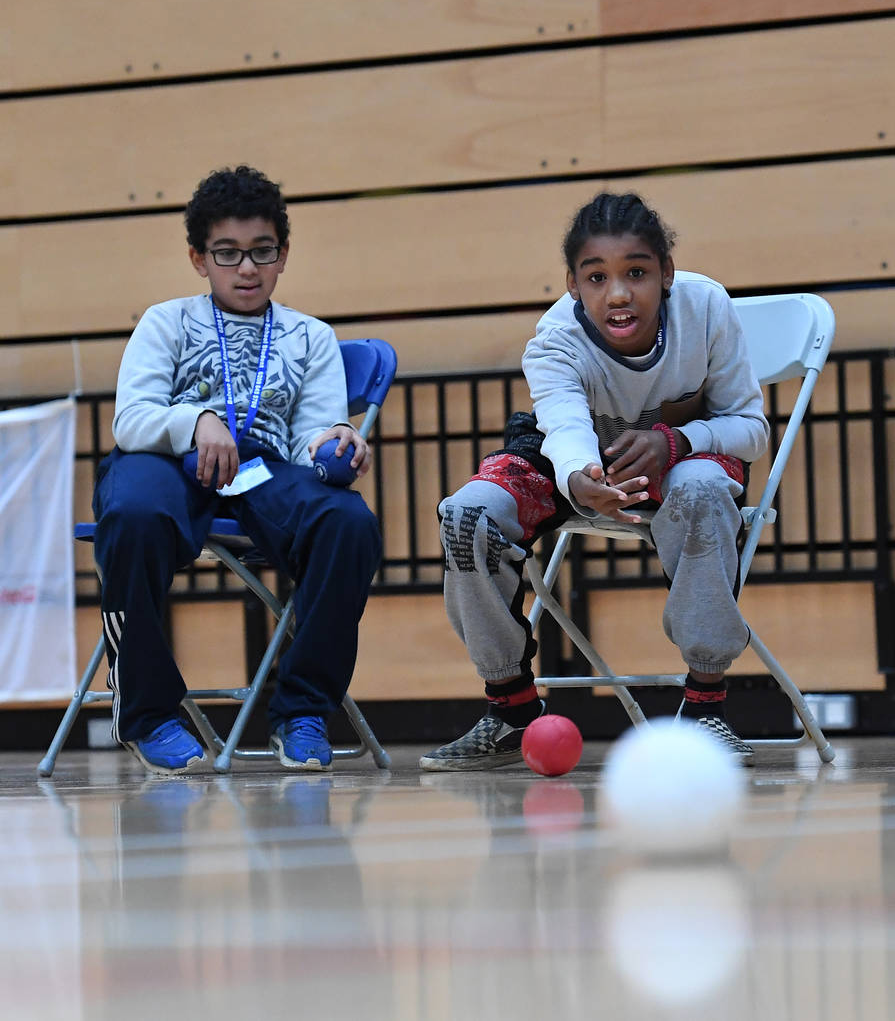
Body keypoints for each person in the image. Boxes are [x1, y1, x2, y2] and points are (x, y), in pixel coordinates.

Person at [421, 191, 768, 771]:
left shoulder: (706, 307)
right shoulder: (554, 340)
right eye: (597, 277)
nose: (619, 293)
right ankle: (510, 710)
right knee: (467, 514)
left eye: (637, 272)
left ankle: (705, 706)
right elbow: (562, 429)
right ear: (573, 285)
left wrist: (677, 441)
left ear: (667, 275)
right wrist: (580, 477)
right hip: (573, 462)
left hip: (682, 465)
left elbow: (752, 429)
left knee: (704, 488)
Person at [94, 165, 382, 774]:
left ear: (283, 256)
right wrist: (195, 421)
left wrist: (338, 440)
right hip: (165, 463)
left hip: (266, 472)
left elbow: (312, 437)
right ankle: (148, 712)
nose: (247, 268)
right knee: (131, 513)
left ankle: (302, 709)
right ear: (199, 258)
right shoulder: (164, 321)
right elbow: (132, 420)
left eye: (262, 252)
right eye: (228, 253)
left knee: (348, 522)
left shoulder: (312, 337)